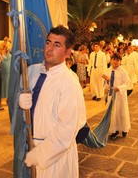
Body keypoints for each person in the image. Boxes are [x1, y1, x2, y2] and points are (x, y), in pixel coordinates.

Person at [18, 25, 86, 177]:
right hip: (28, 147)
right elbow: (16, 102)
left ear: (68, 52)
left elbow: (66, 130)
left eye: (57, 45)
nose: (49, 48)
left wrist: (38, 155)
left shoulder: (69, 82)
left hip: (55, 159)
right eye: (48, 42)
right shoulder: (32, 71)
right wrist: (19, 102)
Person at [102, 52, 131, 139]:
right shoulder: (108, 70)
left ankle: (124, 128)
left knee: (121, 112)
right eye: (114, 59)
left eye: (118, 60)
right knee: (113, 113)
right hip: (111, 95)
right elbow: (106, 85)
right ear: (111, 60)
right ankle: (114, 130)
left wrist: (119, 88)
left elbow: (127, 83)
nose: (115, 62)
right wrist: (107, 81)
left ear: (120, 62)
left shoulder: (123, 71)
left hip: (120, 96)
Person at [0, 37, 12, 105]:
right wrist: (4, 41)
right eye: (4, 46)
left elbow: (15, 47)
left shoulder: (9, 52)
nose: (6, 47)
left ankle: (8, 99)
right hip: (3, 71)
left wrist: (10, 41)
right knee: (2, 84)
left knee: (9, 85)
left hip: (9, 70)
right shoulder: (0, 53)